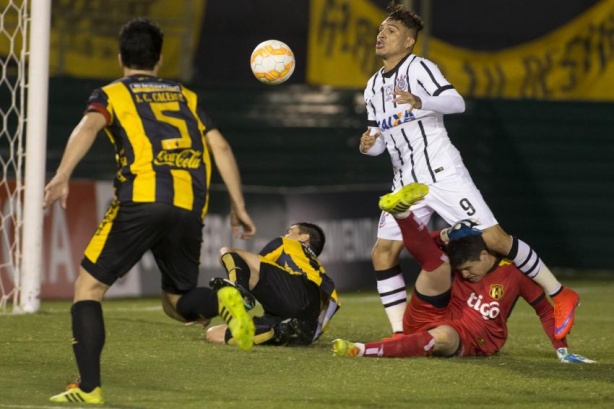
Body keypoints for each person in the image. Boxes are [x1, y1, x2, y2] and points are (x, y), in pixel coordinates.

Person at [44, 18, 257, 404]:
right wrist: (238, 205)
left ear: (121, 56)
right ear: (159, 59)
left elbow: (88, 126)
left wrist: (62, 174)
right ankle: (223, 297)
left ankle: (89, 387)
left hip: (142, 198)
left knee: (88, 288)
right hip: (190, 203)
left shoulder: (112, 93)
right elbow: (221, 147)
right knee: (177, 302)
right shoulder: (186, 96)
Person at [359, 2, 579, 340]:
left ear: (408, 42)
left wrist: (421, 101)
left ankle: (561, 293)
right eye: (380, 30)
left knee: (495, 240)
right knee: (383, 253)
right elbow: (379, 141)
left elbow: (456, 102)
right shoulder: (372, 87)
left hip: (442, 172)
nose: (381, 35)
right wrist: (369, 144)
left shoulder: (419, 68)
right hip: (405, 182)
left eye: (391, 31)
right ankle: (401, 333)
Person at [332, 184, 594, 363]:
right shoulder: (463, 260)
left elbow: (546, 310)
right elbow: (423, 248)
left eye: (469, 269)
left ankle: (363, 350)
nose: (466, 275)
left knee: (443, 337)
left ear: (484, 255)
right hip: (432, 313)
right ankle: (403, 214)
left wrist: (562, 351)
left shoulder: (515, 273)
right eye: (463, 271)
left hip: (471, 337)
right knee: (438, 264)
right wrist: (446, 234)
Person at [206, 222, 340, 347]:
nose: (285, 234)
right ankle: (278, 332)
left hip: (294, 292)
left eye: (290, 231)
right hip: (307, 322)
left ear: (304, 237)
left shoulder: (286, 243)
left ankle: (240, 294)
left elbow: (249, 269)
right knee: (213, 333)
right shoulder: (316, 267)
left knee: (228, 251)